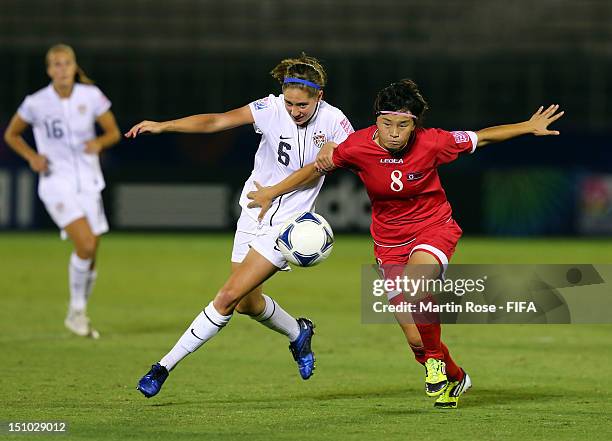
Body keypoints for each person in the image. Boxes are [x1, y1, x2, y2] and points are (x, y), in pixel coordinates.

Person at [246, 79, 564, 408]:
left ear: (414, 124)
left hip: (434, 228)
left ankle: (435, 369)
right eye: (387, 124)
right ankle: (455, 375)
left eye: (403, 125)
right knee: (416, 340)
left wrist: (528, 126)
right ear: (376, 121)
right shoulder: (355, 147)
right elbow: (316, 167)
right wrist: (272, 191)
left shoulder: (434, 142)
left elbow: (481, 137)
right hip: (389, 243)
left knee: (416, 287)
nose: (395, 133)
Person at [124, 54, 354, 398]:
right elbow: (217, 121)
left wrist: (333, 153)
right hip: (254, 209)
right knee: (247, 302)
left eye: (302, 105)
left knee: (228, 296)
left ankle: (162, 368)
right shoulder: (270, 108)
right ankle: (298, 332)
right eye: (290, 103)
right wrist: (164, 125)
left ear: (319, 96)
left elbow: (323, 166)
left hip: (288, 225)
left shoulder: (336, 123)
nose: (295, 111)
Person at [4, 43, 121, 339]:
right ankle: (77, 311)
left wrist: (100, 143)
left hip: (90, 182)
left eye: (66, 63)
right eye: (55, 64)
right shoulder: (36, 102)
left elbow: (113, 131)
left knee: (92, 250)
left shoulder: (90, 96)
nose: (61, 69)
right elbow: (11, 134)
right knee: (84, 244)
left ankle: (77, 311)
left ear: (74, 66)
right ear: (48, 70)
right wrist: (32, 156)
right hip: (56, 181)